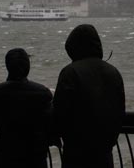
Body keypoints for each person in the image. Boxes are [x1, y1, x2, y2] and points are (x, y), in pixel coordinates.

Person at [53, 24, 126, 168]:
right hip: (104, 153)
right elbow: (119, 110)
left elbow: (60, 111)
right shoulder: (113, 72)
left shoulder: (70, 72)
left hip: (76, 153)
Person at [0, 48, 54, 168]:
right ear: (27, 67)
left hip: (5, 156)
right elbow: (51, 121)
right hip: (35, 156)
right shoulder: (43, 93)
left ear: (8, 66)